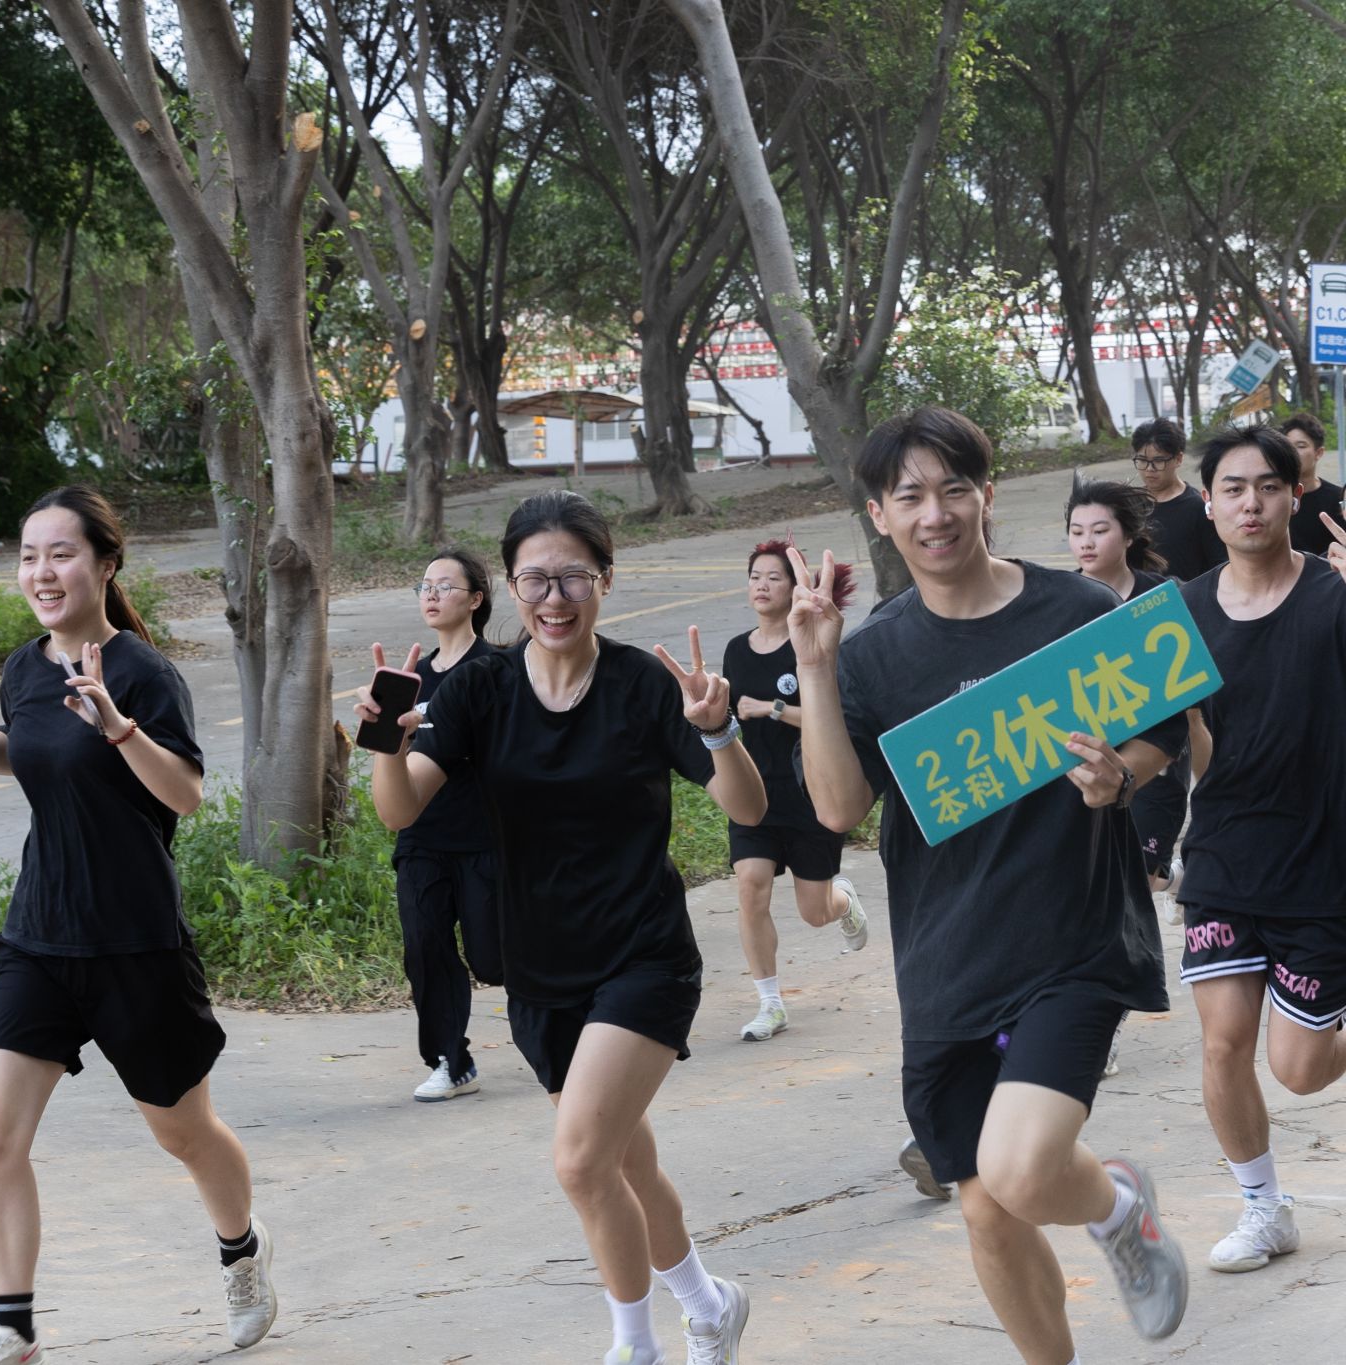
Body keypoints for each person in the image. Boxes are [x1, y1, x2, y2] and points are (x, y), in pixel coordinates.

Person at [789, 406, 1190, 1359]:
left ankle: (1115, 1205)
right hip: (945, 961)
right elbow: (839, 807)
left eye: (954, 489)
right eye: (910, 496)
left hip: (1072, 940)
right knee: (985, 1208)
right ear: (880, 515)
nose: (935, 513)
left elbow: (1166, 732)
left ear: (988, 496)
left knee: (1021, 1165)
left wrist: (1119, 776)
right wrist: (814, 665)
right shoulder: (872, 653)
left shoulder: (1078, 611)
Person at [359, 490, 767, 1365]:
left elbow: (747, 806)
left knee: (581, 1162)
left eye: (573, 577)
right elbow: (400, 810)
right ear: (510, 588)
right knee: (623, 1162)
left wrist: (719, 731)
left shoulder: (642, 684)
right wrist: (385, 745)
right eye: (536, 579)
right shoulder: (481, 687)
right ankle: (710, 1304)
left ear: (605, 580)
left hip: (643, 955)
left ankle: (634, 1346)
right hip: (540, 966)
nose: (555, 598)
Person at [0, 486, 277, 1365]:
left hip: (135, 943)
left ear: (106, 564)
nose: (42, 571)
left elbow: (185, 793)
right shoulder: (25, 667)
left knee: (183, 1131)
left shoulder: (143, 672)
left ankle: (243, 1248)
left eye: (61, 553)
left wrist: (120, 728)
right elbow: (34, 751)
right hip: (36, 937)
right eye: (29, 555)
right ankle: (14, 1327)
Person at [1176, 424, 1346, 1276]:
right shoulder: (1180, 613)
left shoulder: (1335, 594)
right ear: (1208, 505)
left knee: (1301, 1068)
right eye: (1233, 488)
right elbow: (1157, 737)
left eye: (1268, 486)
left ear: (1296, 495)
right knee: (1223, 1041)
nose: (1251, 502)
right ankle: (1262, 1206)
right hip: (1224, 854)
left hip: (1325, 859)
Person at [722, 539, 870, 1042]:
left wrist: (773, 709)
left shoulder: (812, 645)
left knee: (815, 912)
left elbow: (834, 720)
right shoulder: (736, 650)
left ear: (794, 588)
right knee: (751, 885)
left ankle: (842, 901)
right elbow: (728, 717)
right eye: (755, 577)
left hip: (812, 792)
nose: (761, 586)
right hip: (755, 795)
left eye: (774, 578)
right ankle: (770, 1003)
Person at [393, 546, 504, 1102]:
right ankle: (450, 1060)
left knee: (493, 957)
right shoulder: (411, 677)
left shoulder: (497, 669)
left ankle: (567, 1014)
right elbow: (388, 754)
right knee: (424, 946)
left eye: (445, 586)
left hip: (485, 835)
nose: (431, 595)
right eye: (425, 586)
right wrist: (386, 726)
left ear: (476, 599)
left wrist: (434, 722)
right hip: (422, 835)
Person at [1064, 480, 1186, 908]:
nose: (1086, 542)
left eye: (1100, 531)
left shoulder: (1163, 597)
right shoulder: (1055, 601)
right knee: (1098, 879)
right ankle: (1176, 880)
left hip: (1154, 751)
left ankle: (1171, 878)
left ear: (1129, 536)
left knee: (1141, 877)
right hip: (1085, 754)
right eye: (1077, 532)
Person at [1133, 417, 1226, 582]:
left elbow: (1219, 564)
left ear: (1178, 459)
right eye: (1142, 460)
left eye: (1159, 461)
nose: (1149, 469)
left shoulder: (1198, 508)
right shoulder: (1130, 506)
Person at [1280, 411, 1346, 559]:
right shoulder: (1272, 500)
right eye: (1287, 446)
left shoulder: (1338, 499)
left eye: (1301, 446)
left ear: (1319, 453)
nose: (1292, 452)